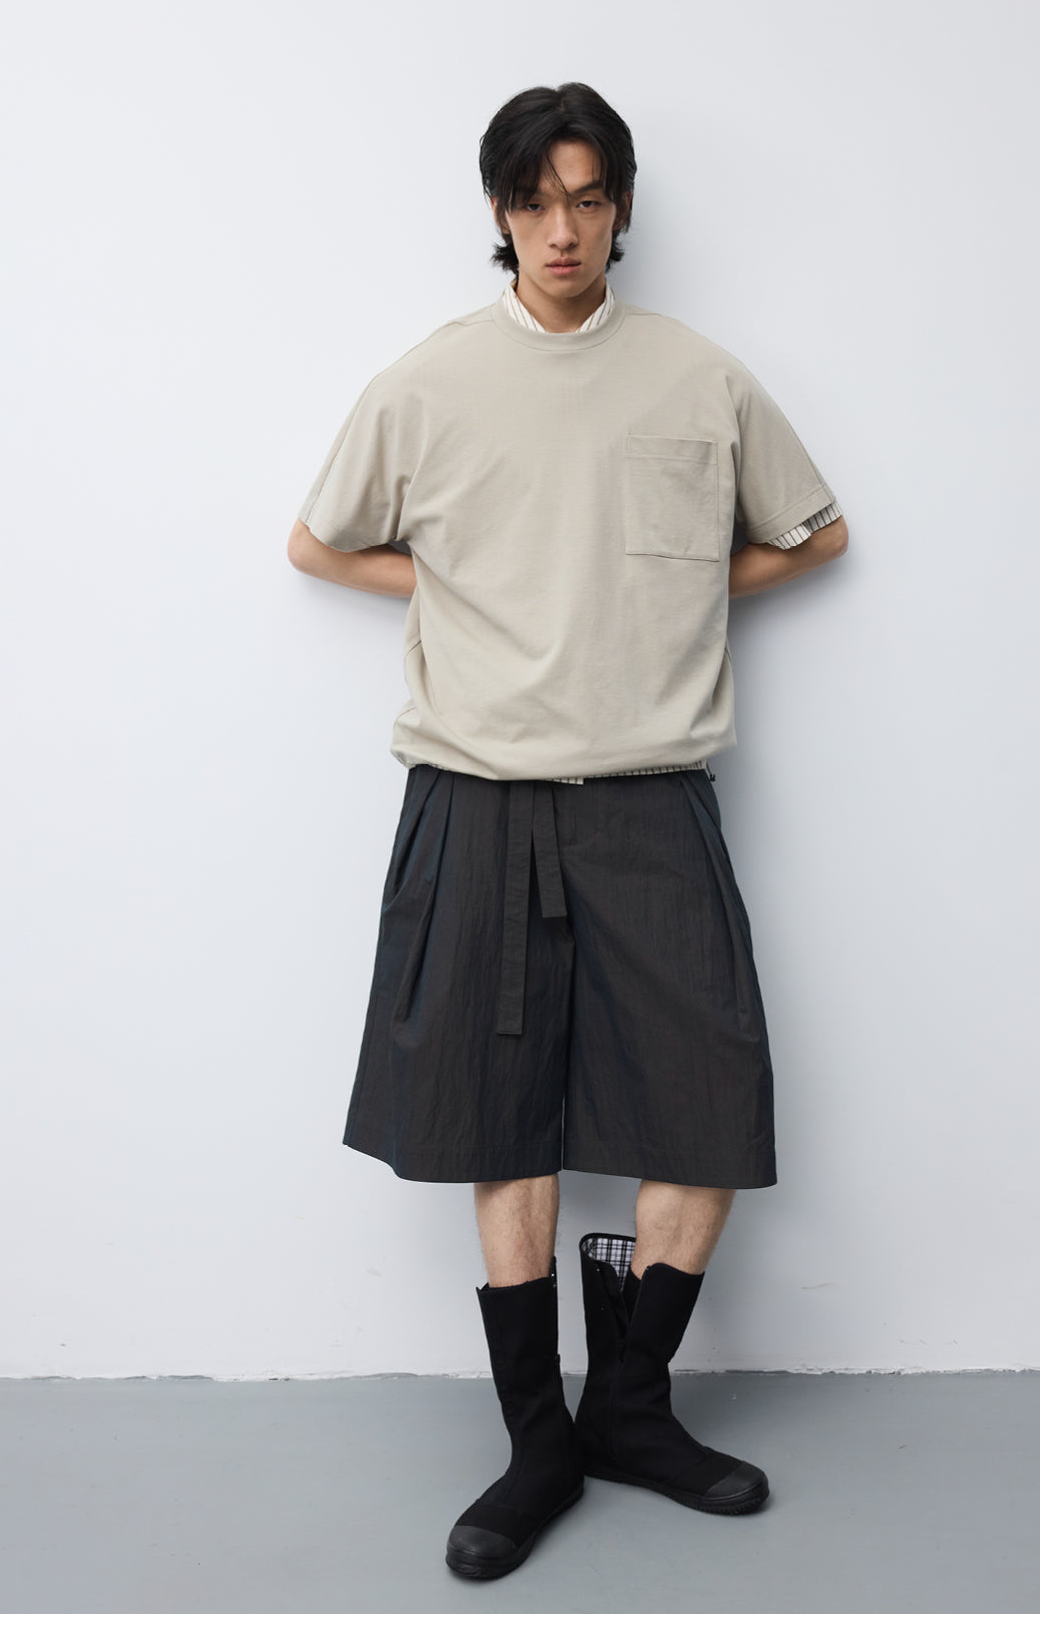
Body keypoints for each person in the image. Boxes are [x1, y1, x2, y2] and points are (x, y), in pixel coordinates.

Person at [287, 82, 848, 1581]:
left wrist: (672, 597)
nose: (561, 229)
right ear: (500, 213)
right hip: (477, 792)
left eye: (587, 199)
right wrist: (461, 591)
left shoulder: (696, 376)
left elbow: (815, 532)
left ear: (620, 210)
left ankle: (632, 1409)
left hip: (652, 789)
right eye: (535, 202)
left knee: (707, 1096)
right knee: (500, 1112)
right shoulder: (431, 381)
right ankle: (538, 1442)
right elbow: (318, 540)